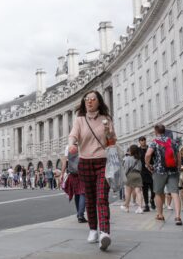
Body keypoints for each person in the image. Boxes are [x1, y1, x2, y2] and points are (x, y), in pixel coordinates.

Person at [68, 90, 116, 251]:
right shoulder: (80, 119)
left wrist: (109, 132)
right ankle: (93, 229)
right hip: (85, 162)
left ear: (98, 102)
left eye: (93, 99)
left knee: (102, 198)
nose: (89, 101)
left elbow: (112, 141)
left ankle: (104, 232)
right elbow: (73, 135)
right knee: (90, 198)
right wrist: (72, 144)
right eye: (87, 99)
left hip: (103, 162)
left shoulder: (106, 119)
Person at [144, 124, 182, 225]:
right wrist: (178, 167)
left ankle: (160, 215)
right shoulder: (173, 141)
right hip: (173, 171)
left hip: (159, 171)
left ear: (156, 132)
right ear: (164, 131)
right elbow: (178, 156)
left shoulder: (154, 141)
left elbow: (148, 154)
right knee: (175, 193)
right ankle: (178, 217)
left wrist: (148, 165)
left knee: (158, 193)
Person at [62, 147, 87, 223]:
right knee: (83, 192)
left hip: (73, 173)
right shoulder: (82, 144)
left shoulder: (68, 147)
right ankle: (80, 215)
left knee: (77, 193)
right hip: (83, 172)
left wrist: (62, 173)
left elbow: (64, 161)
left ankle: (79, 213)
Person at [120, 145, 144, 214]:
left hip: (129, 175)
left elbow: (126, 169)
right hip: (138, 175)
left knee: (128, 192)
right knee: (138, 192)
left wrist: (123, 177)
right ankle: (140, 208)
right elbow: (140, 168)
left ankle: (126, 207)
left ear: (131, 151)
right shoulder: (138, 159)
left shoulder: (127, 158)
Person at [139, 136, 155, 212]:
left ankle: (152, 200)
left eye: (144, 140)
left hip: (151, 170)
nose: (143, 142)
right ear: (139, 142)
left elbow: (154, 157)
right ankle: (146, 205)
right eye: (141, 140)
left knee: (153, 188)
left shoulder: (150, 148)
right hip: (142, 171)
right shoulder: (138, 150)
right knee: (144, 189)